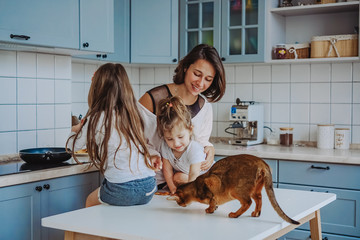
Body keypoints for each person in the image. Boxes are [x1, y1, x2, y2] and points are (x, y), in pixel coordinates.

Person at [67, 63, 162, 207]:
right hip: (149, 187)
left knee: (90, 202)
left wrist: (75, 130)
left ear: (96, 90)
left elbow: (71, 148)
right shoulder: (136, 113)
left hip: (122, 190)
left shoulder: (96, 118)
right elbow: (152, 137)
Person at [138, 44, 226, 186]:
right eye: (197, 74)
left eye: (208, 79)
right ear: (185, 67)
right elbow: (132, 138)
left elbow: (199, 141)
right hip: (153, 179)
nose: (200, 83)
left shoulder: (205, 107)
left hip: (187, 181)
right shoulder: (152, 99)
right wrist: (153, 154)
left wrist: (209, 147)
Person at [157, 96, 209, 194]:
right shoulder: (165, 146)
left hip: (203, 176)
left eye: (180, 137)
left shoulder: (194, 148)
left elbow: (194, 173)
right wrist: (172, 189)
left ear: (190, 130)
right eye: (169, 139)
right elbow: (167, 170)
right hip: (187, 176)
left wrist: (189, 193)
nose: (176, 143)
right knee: (177, 177)